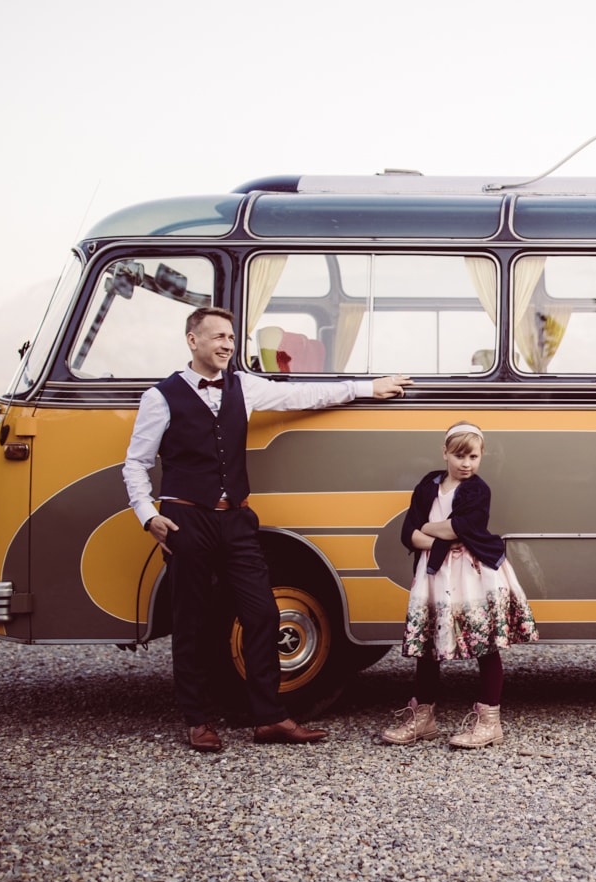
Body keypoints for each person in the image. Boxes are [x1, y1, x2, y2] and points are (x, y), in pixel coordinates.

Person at [123, 306, 411, 753]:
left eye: (232, 338)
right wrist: (147, 515)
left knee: (262, 613)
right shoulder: (160, 397)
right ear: (192, 341)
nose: (226, 344)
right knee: (192, 622)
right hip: (186, 519)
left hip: (236, 518)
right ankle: (198, 721)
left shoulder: (245, 386)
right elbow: (136, 464)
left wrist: (367, 389)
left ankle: (269, 717)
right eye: (217, 336)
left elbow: (303, 397)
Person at [378, 421, 537, 750]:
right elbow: (409, 532)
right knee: (427, 645)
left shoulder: (478, 490)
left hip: (474, 573)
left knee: (485, 644)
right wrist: (435, 534)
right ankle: (423, 719)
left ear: (482, 457)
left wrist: (429, 527)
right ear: (445, 453)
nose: (467, 463)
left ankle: (489, 721)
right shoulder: (428, 485)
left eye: (474, 457)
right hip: (435, 574)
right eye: (460, 456)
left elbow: (460, 529)